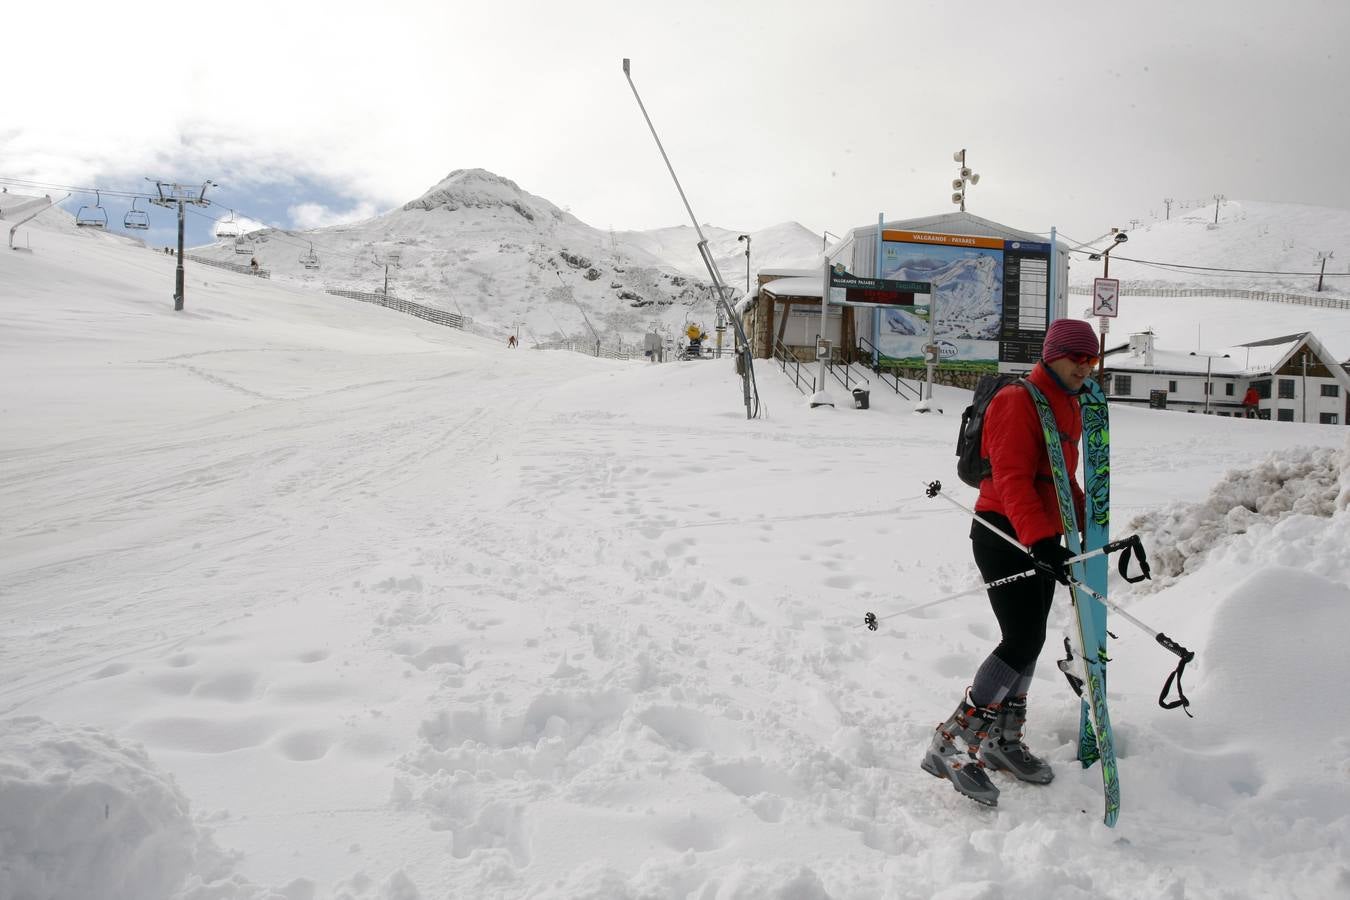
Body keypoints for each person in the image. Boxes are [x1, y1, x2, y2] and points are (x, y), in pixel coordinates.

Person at [921, 318, 1100, 808]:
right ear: (1052, 355)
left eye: (1092, 358)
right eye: (1076, 357)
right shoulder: (1017, 400)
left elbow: (1060, 478)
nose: (1085, 366)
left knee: (1033, 638)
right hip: (1004, 531)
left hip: (1040, 535)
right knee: (1019, 639)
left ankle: (1003, 739)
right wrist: (1042, 540)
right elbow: (1015, 478)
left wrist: (1091, 526)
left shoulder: (1069, 404)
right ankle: (952, 744)